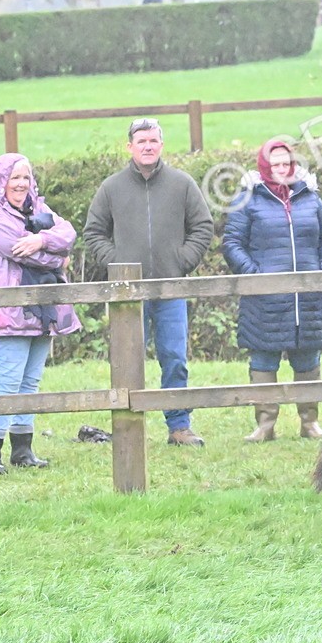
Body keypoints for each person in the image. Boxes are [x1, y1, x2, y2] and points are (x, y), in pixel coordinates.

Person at [85, 118, 214, 446]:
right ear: (129, 146)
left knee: (174, 358)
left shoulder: (182, 184)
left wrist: (181, 261)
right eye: (141, 141)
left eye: (153, 141)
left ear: (161, 145)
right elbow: (94, 233)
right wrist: (118, 264)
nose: (147, 146)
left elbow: (203, 226)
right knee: (128, 361)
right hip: (128, 293)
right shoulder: (111, 188)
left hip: (171, 290)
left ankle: (179, 427)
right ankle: (128, 426)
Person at [222, 140, 322, 443]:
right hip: (264, 300)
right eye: (275, 164)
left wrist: (321, 270)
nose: (281, 169)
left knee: (308, 360)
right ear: (264, 165)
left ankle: (310, 422)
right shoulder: (247, 199)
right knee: (263, 359)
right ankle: (265, 424)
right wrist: (255, 276)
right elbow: (232, 243)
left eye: (286, 163)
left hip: (308, 298)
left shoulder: (310, 197)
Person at [0, 155, 81, 474]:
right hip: (9, 308)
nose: (21, 184)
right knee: (9, 379)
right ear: (0, 182)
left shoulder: (39, 207)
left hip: (42, 306)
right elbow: (15, 249)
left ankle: (22, 450)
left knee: (30, 381)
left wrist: (41, 238)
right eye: (14, 178)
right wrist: (58, 260)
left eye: (26, 177)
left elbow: (68, 233)